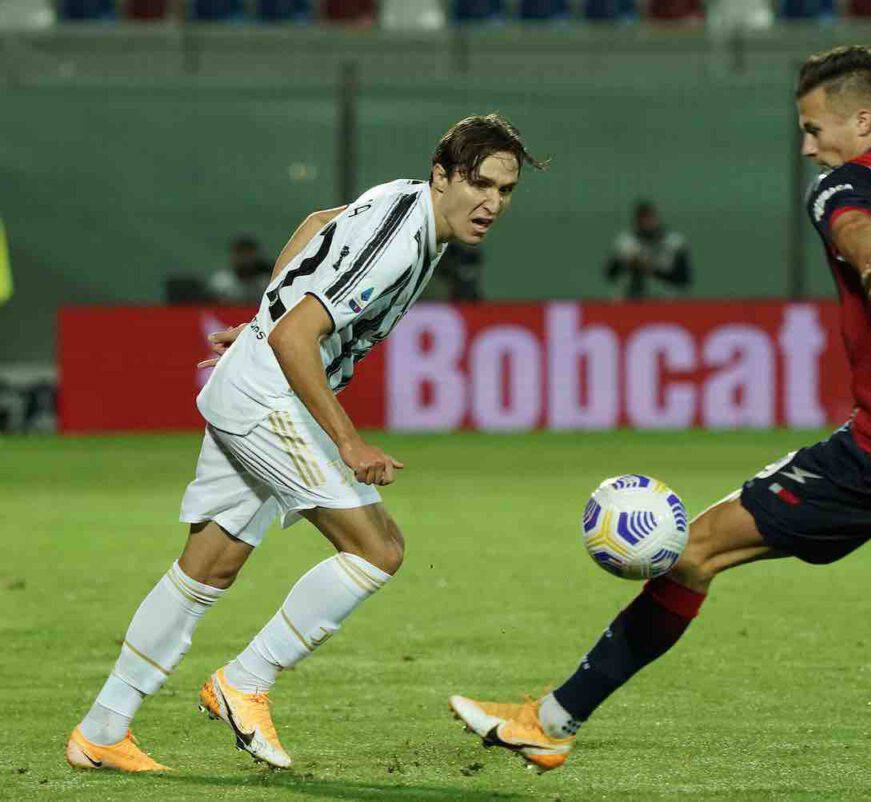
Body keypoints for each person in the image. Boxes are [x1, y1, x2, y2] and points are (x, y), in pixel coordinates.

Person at [450, 45, 871, 773]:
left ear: (866, 118)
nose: (808, 147)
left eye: (816, 129)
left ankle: (551, 722)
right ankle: (551, 720)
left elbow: (850, 223)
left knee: (691, 552)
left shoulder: (844, 186)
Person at [66, 113, 544, 773]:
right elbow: (297, 339)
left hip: (254, 382)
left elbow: (318, 223)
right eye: (480, 184)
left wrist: (265, 314)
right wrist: (346, 440)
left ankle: (101, 729)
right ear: (443, 176)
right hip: (269, 396)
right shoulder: (403, 240)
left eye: (506, 190)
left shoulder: (399, 198)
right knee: (378, 549)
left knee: (208, 565)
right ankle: (245, 681)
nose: (492, 203)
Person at [606, 201, 691, 300]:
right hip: (630, 299)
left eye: (650, 218)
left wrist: (652, 270)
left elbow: (684, 279)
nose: (647, 223)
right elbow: (610, 274)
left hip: (666, 300)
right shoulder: (626, 243)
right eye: (642, 219)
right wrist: (627, 263)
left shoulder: (674, 243)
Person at [207, 236, 274, 306]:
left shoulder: (266, 283)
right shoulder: (220, 282)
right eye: (240, 253)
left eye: (249, 254)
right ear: (232, 257)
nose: (245, 259)